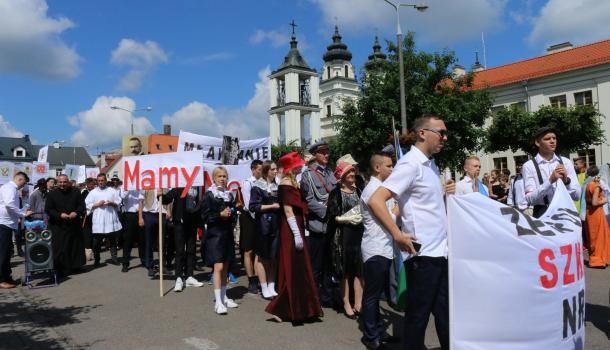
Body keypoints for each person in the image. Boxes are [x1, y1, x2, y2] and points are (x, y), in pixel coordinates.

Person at [367, 114, 455, 350]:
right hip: (422, 256)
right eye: (441, 132)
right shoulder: (410, 163)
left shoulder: (431, 164)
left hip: (441, 253)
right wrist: (397, 234)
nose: (445, 138)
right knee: (418, 317)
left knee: (446, 315)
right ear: (423, 133)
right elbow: (376, 200)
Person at [266, 152, 323, 322]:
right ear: (291, 167)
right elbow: (288, 210)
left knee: (300, 267)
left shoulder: (293, 181)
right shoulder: (285, 184)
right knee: (292, 266)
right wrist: (297, 234)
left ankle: (303, 308)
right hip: (290, 230)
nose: (300, 166)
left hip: (297, 226)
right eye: (297, 165)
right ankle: (282, 308)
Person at [360, 153, 400, 349]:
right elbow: (389, 219)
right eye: (389, 166)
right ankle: (370, 336)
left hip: (384, 248)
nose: (392, 169)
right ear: (377, 167)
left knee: (377, 295)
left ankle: (377, 331)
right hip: (375, 249)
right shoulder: (371, 191)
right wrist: (398, 209)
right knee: (372, 295)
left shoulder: (382, 189)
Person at [300, 140, 336, 306]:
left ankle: (327, 296)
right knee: (317, 265)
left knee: (329, 263)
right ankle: (313, 297)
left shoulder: (330, 172)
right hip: (318, 225)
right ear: (315, 154)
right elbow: (308, 200)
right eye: (323, 152)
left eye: (327, 151)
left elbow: (335, 194)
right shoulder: (308, 175)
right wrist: (327, 212)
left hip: (331, 225)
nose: (326, 154)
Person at [326, 161, 364, 319]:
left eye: (353, 172)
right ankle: (346, 302)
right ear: (342, 176)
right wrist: (344, 219)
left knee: (359, 270)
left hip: (359, 233)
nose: (352, 175)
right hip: (343, 235)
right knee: (345, 271)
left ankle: (359, 303)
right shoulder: (336, 193)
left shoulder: (360, 190)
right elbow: (331, 216)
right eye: (349, 172)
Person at [202, 166, 239, 315]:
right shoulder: (209, 195)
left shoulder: (229, 195)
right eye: (219, 176)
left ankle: (224, 297)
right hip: (214, 235)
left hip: (227, 234)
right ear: (214, 178)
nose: (222, 179)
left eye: (224, 176)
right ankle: (217, 302)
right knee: (217, 267)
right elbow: (205, 217)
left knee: (225, 267)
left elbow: (233, 216)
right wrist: (220, 214)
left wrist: (233, 213)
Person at [523, 127, 581, 218]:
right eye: (547, 139)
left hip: (565, 212)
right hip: (542, 213)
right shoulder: (529, 166)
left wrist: (566, 181)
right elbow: (530, 199)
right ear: (538, 143)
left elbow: (577, 196)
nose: (552, 141)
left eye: (554, 138)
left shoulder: (566, 162)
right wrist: (550, 181)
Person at [162, 186, 204, 292]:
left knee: (191, 250)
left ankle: (189, 276)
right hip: (180, 222)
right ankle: (178, 278)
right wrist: (160, 195)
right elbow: (167, 199)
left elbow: (199, 203)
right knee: (180, 251)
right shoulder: (180, 185)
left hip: (192, 221)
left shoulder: (198, 187)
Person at [249, 160, 280, 299]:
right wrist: (272, 206)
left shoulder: (276, 185)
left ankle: (271, 285)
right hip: (262, 225)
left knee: (273, 256)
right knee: (262, 257)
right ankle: (264, 286)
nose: (275, 171)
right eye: (273, 169)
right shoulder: (257, 187)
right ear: (267, 171)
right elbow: (253, 207)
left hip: (275, 224)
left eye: (276, 169)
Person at [45, 174, 86, 277]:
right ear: (57, 183)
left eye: (64, 182)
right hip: (58, 225)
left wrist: (76, 212)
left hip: (73, 224)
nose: (62, 184)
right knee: (60, 248)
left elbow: (82, 206)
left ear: (68, 182)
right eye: (60, 182)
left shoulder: (75, 192)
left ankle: (76, 266)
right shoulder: (52, 194)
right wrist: (60, 215)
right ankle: (61, 269)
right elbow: (48, 209)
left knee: (74, 246)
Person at [0, 172, 33, 288]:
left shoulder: (12, 189)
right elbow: (9, 204)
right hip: (4, 224)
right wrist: (22, 213)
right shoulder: (9, 188)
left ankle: (7, 277)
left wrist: (23, 209)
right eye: (23, 183)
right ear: (19, 179)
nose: (23, 186)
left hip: (8, 224)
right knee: (3, 252)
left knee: (7, 252)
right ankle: (2, 279)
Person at [85, 173, 122, 267]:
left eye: (102, 180)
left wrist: (111, 203)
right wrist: (97, 204)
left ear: (106, 181)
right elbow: (87, 204)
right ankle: (97, 260)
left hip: (110, 218)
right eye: (99, 181)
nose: (101, 182)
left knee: (112, 240)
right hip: (99, 220)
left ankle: (114, 258)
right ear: (97, 181)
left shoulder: (112, 191)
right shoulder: (93, 192)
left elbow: (118, 202)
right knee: (97, 242)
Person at [240, 159, 263, 294]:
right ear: (253, 170)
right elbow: (249, 205)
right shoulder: (247, 182)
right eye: (259, 170)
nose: (261, 172)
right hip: (249, 217)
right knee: (248, 250)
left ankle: (259, 277)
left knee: (258, 249)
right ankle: (251, 279)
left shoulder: (264, 183)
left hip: (260, 217)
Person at [139, 188, 168, 278]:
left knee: (162, 242)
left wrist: (169, 210)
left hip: (162, 214)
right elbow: (141, 201)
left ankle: (162, 265)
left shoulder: (165, 183)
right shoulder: (146, 184)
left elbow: (169, 200)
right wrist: (140, 217)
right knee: (149, 241)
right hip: (149, 213)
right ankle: (150, 265)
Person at [584, 167, 610, 268]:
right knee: (599, 237)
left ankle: (595, 259)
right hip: (596, 213)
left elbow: (588, 200)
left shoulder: (588, 185)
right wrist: (605, 200)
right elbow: (595, 202)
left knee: (592, 237)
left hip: (589, 213)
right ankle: (598, 261)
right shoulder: (596, 186)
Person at [120, 188, 144, 272]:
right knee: (128, 240)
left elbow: (142, 197)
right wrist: (129, 188)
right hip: (129, 215)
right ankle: (125, 263)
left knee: (142, 239)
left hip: (140, 213)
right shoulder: (126, 186)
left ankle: (144, 260)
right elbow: (123, 196)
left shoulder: (140, 185)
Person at [81, 178, 96, 262]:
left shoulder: (97, 192)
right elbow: (83, 203)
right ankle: (88, 254)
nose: (90, 185)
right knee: (87, 235)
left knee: (95, 235)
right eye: (89, 184)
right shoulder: (84, 193)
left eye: (92, 184)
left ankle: (95, 251)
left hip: (96, 216)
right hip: (87, 216)